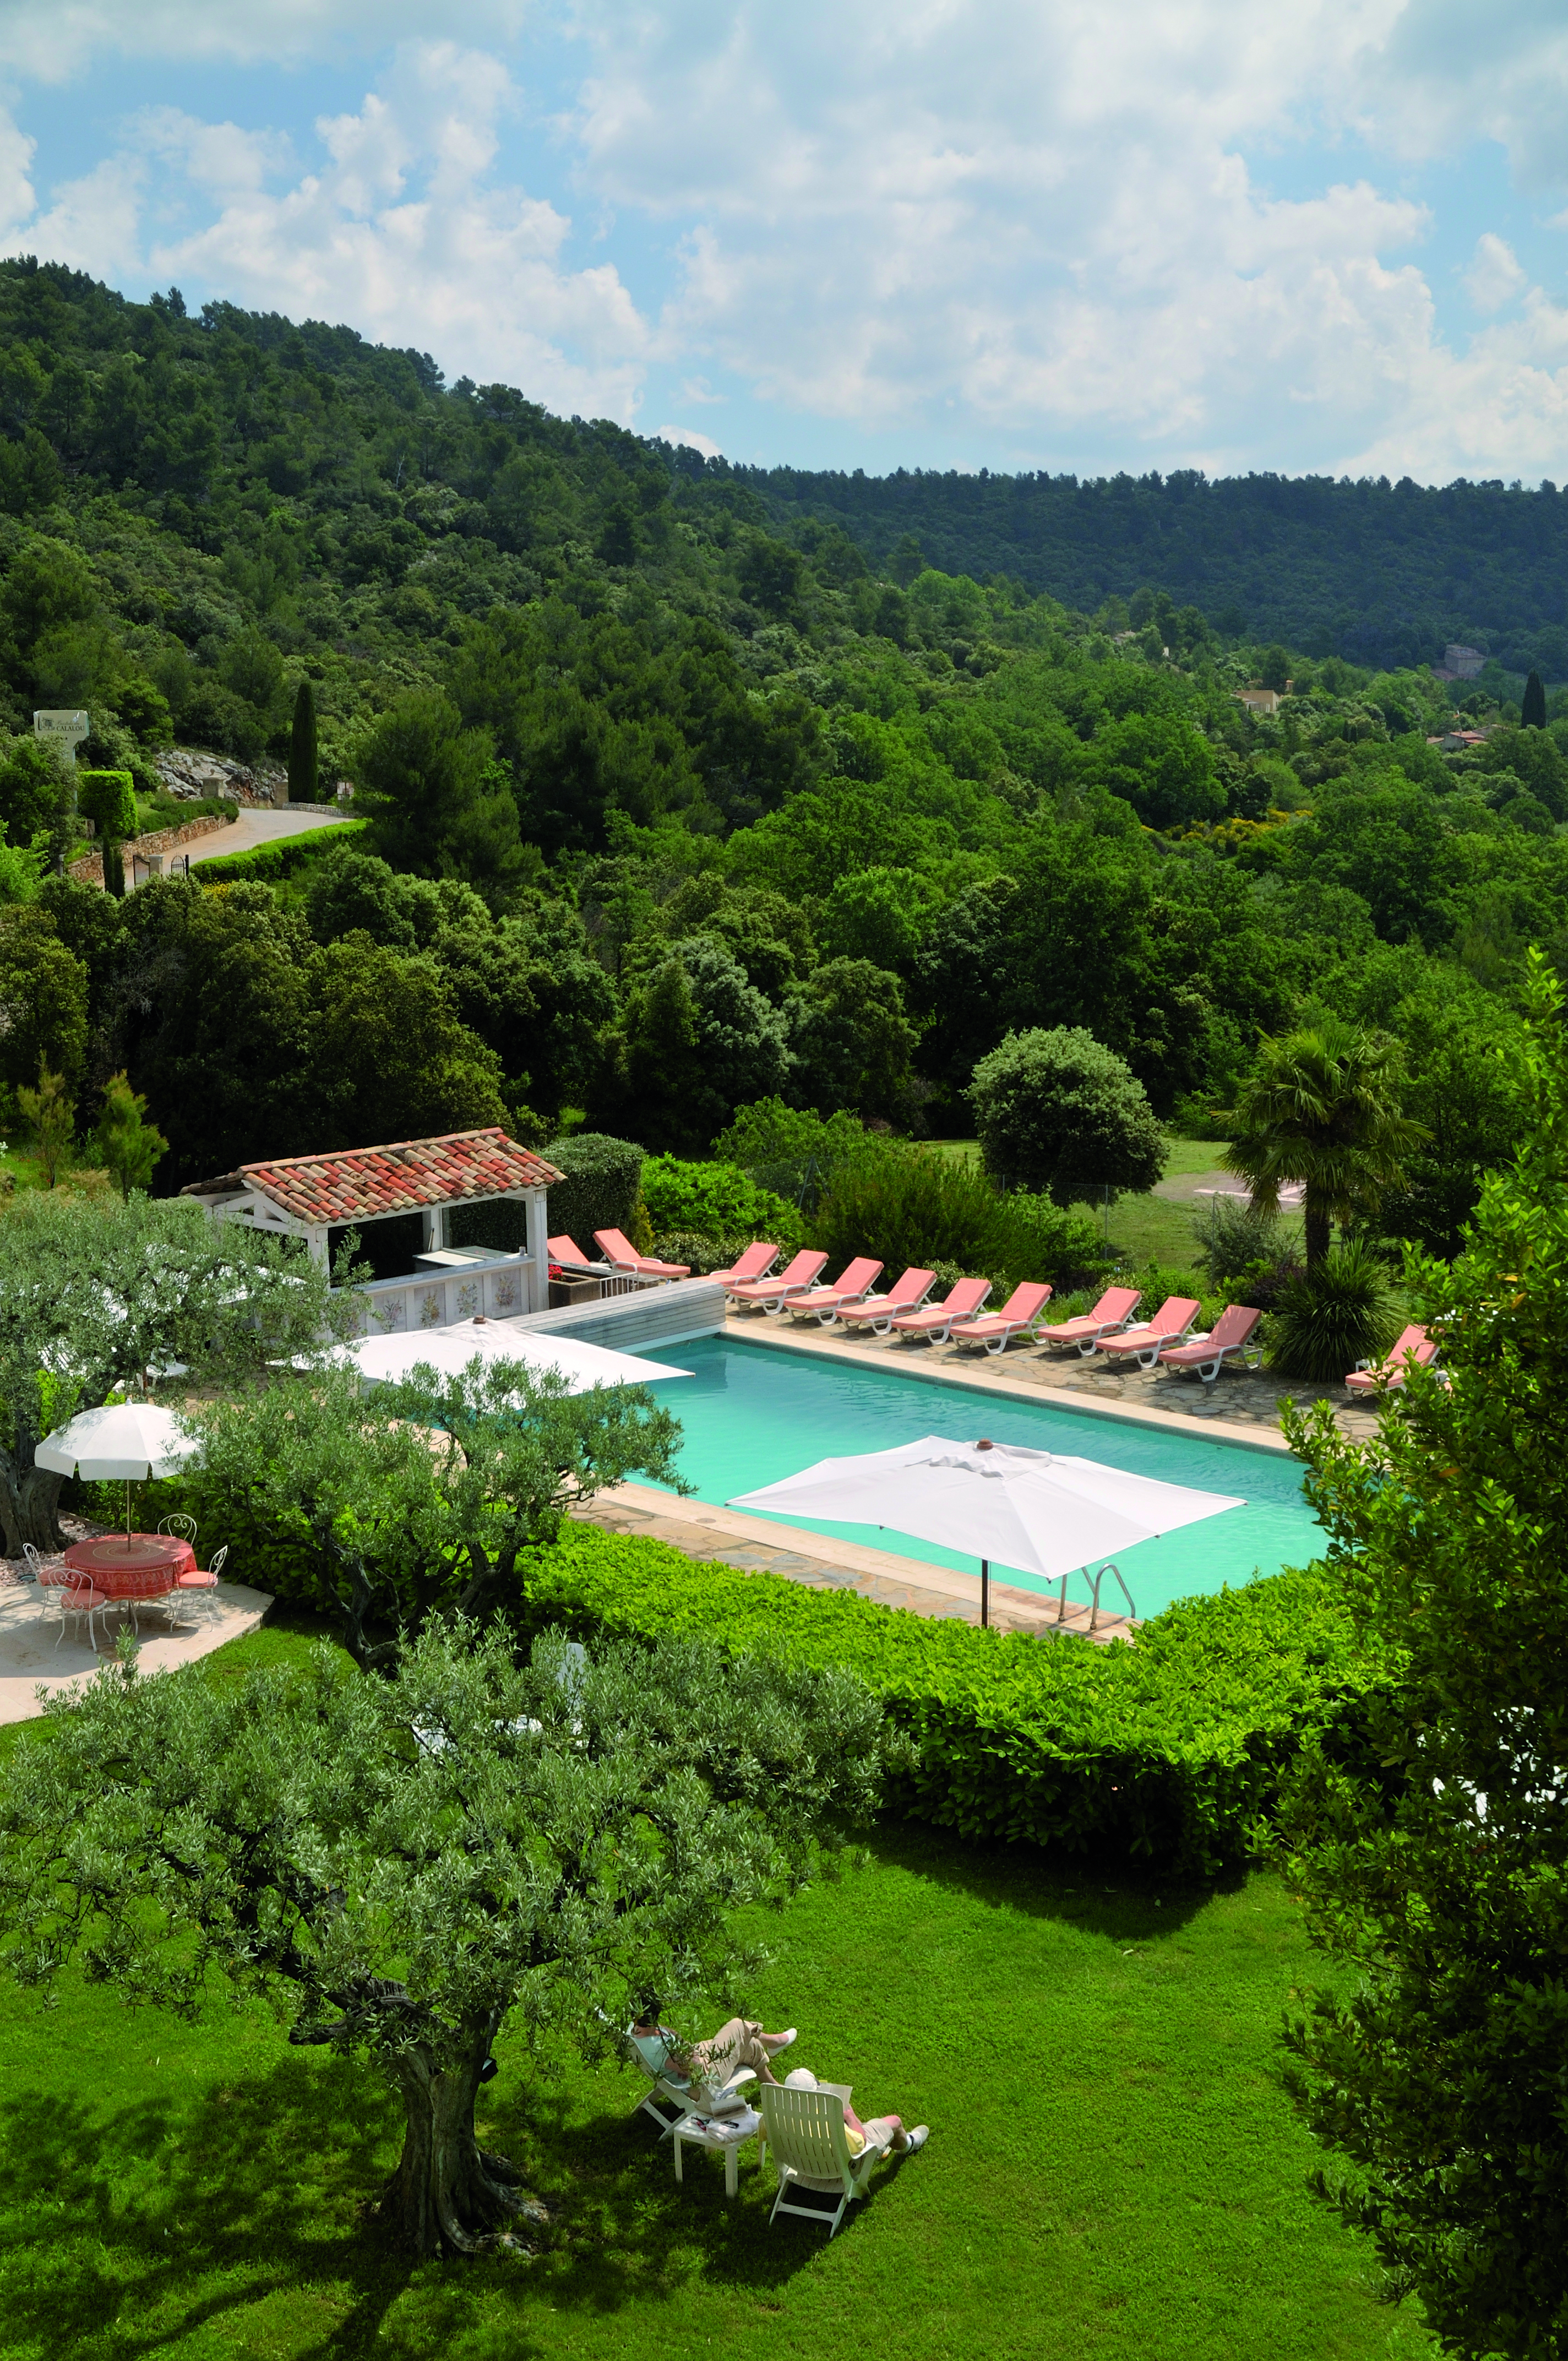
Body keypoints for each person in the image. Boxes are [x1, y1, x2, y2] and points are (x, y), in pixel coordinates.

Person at [629, 2008, 797, 2108]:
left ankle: (774, 2087)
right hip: (704, 2081)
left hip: (693, 2061)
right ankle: (775, 2042)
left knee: (750, 2044)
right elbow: (694, 2068)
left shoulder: (637, 2031)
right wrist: (681, 2041)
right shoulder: (657, 2047)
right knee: (738, 2025)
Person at [782, 2065, 929, 2157]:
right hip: (838, 2166)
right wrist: (851, 2117)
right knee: (894, 2121)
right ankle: (909, 2145)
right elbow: (861, 2143)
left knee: (861, 2127)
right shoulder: (827, 2125)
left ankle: (875, 2134)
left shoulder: (775, 2117)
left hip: (802, 2162)